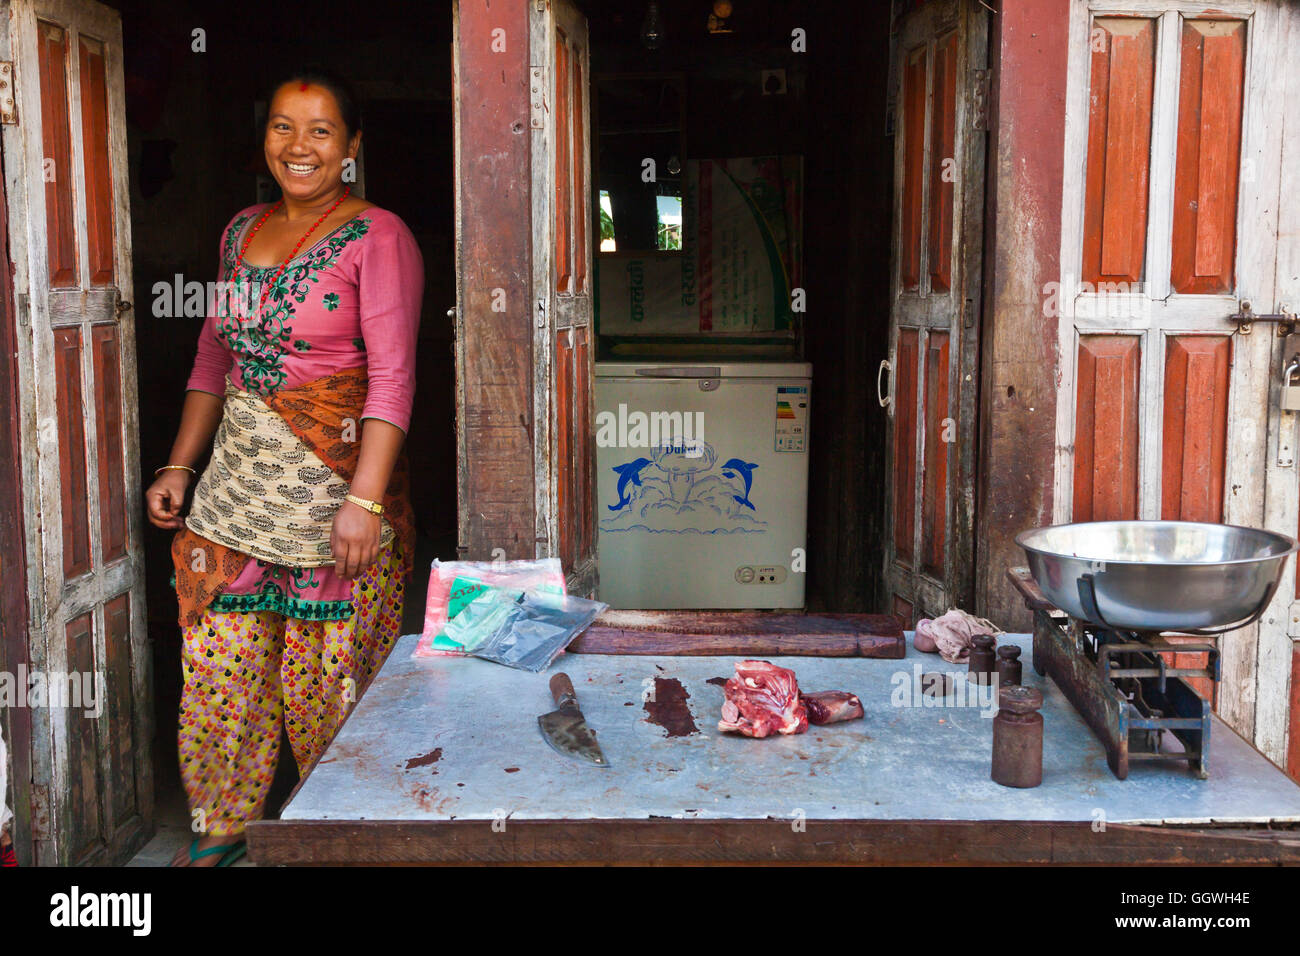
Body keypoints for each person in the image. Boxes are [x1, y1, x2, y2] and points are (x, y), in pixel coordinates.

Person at [144, 69, 423, 866]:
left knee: (324, 681)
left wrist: (364, 502)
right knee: (220, 669)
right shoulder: (238, 232)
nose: (299, 146)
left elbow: (393, 378)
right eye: (282, 127)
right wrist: (178, 466)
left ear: (351, 146)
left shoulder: (379, 236)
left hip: (331, 497)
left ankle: (329, 836)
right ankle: (223, 829)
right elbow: (211, 358)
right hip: (234, 496)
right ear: (264, 136)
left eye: (321, 130)